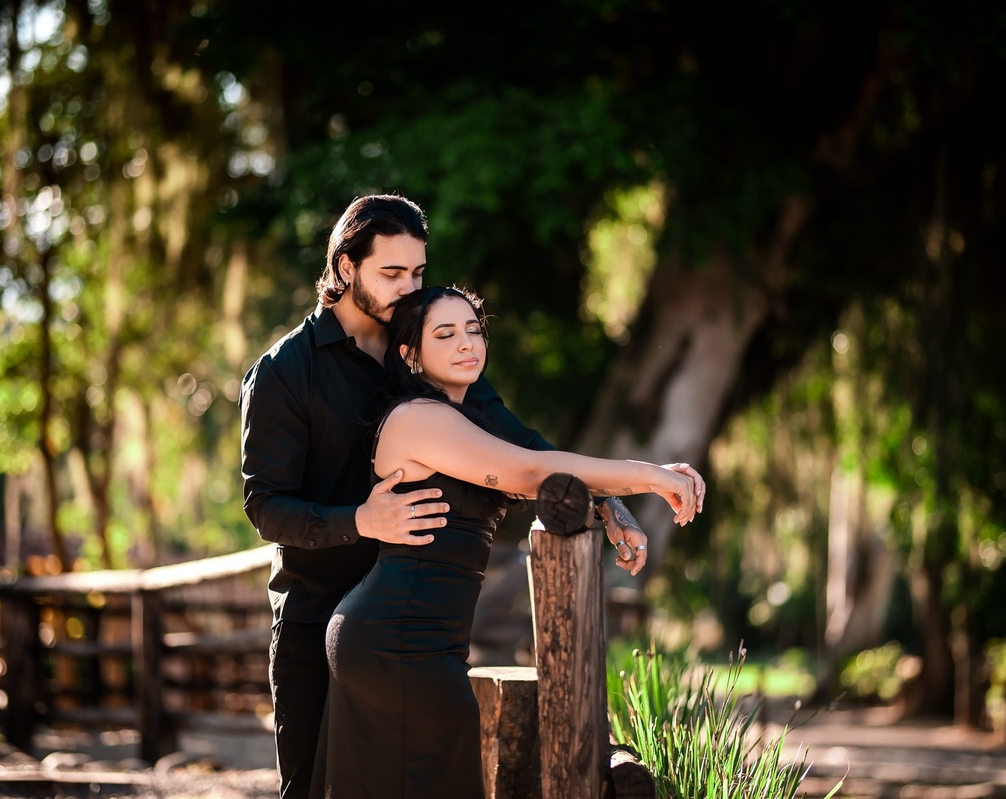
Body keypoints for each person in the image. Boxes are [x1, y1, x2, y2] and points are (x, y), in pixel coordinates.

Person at [239, 194, 702, 798]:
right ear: (346, 269)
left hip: (412, 618)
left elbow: (521, 451)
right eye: (391, 273)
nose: (408, 287)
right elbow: (266, 505)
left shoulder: (427, 353)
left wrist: (605, 504)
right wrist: (361, 520)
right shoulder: (284, 371)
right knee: (312, 790)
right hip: (320, 614)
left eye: (418, 273)